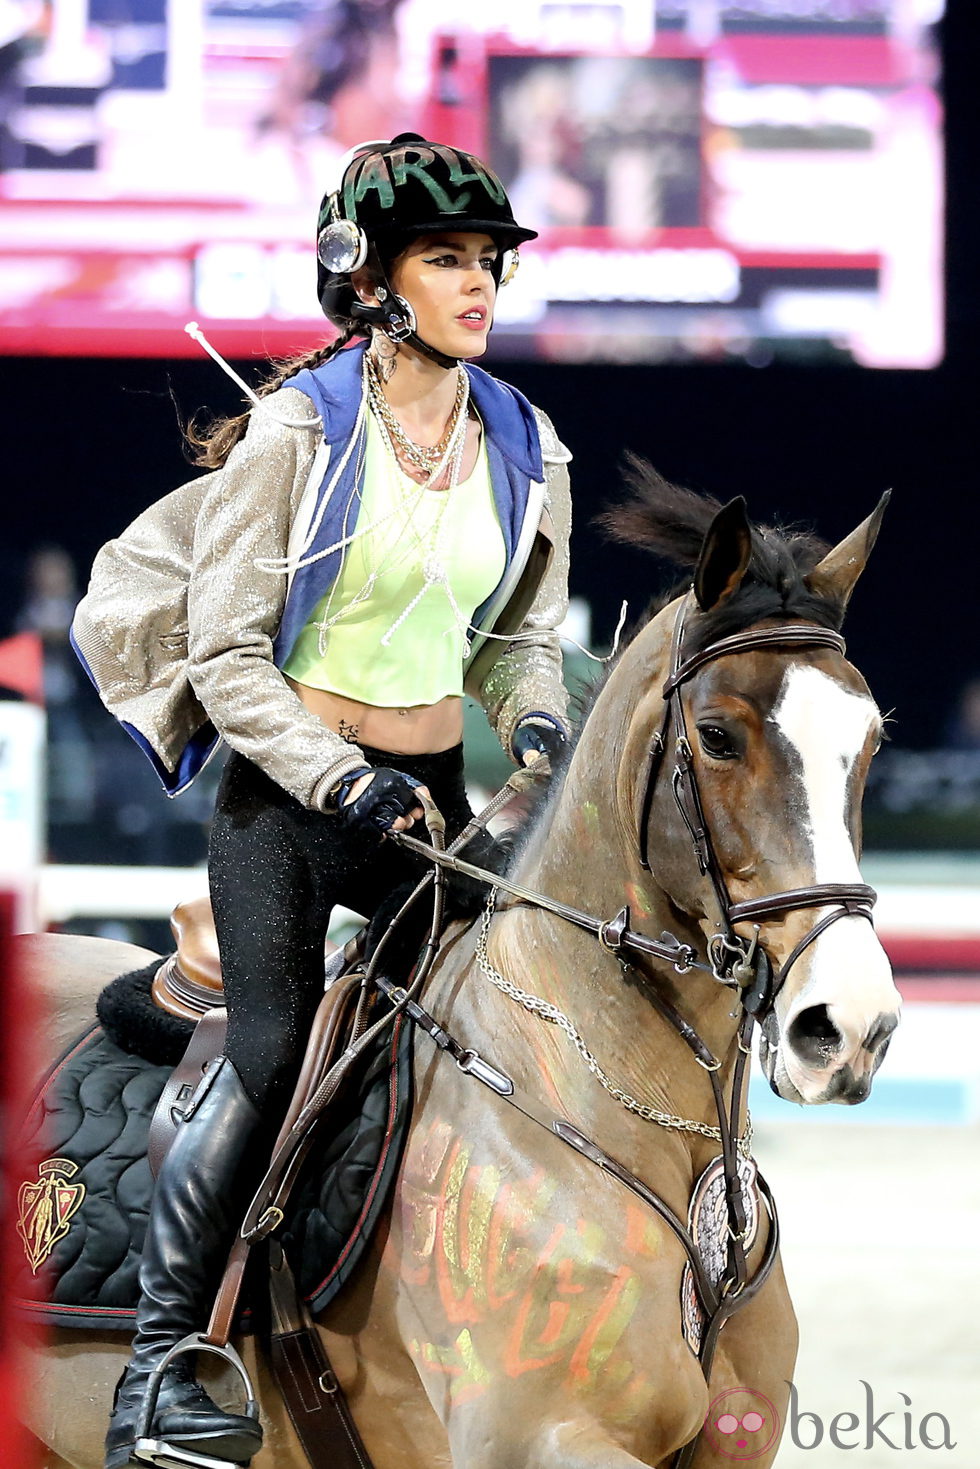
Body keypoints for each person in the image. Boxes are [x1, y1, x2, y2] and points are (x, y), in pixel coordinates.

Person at [73, 133, 573, 1469]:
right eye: (448, 259)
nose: (479, 284)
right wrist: (336, 774)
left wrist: (533, 721)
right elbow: (229, 660)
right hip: (289, 802)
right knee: (276, 1051)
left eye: (487, 263)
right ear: (369, 278)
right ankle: (160, 1372)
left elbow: (519, 635)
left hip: (423, 798)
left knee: (497, 1045)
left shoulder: (527, 445)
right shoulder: (297, 434)